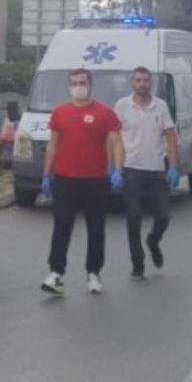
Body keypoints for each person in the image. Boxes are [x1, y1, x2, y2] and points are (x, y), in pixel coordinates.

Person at [40, 68, 125, 296]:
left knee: (95, 227)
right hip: (65, 179)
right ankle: (56, 274)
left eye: (82, 82)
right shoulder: (60, 113)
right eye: (75, 83)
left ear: (90, 85)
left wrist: (118, 169)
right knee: (62, 225)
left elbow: (116, 143)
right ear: (69, 86)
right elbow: (53, 145)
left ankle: (93, 273)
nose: (79, 86)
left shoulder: (105, 113)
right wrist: (46, 174)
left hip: (96, 180)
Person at [114, 67, 180, 280]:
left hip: (156, 170)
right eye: (138, 80)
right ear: (132, 83)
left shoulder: (160, 106)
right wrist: (115, 167)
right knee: (133, 220)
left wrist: (173, 166)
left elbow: (170, 136)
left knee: (163, 216)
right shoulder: (122, 106)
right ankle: (138, 263)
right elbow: (114, 137)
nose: (142, 84)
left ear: (150, 83)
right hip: (131, 169)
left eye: (146, 80)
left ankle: (153, 240)